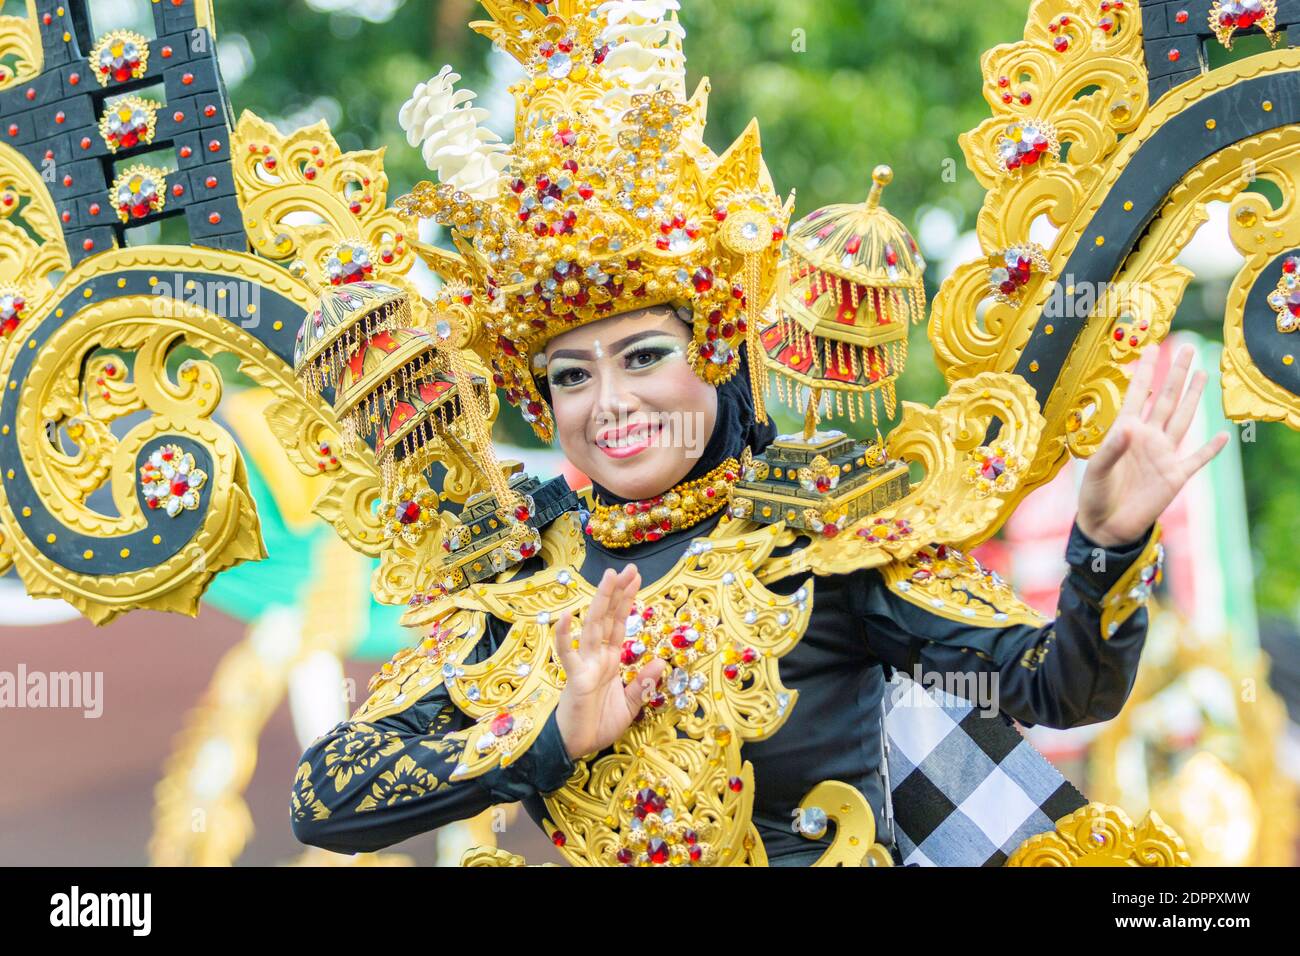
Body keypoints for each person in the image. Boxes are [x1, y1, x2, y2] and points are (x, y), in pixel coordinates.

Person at [289, 0, 1226, 866]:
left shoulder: (818, 535)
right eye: (571, 375)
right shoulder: (527, 578)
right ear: (542, 407)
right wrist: (554, 738)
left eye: (644, 356)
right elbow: (324, 795)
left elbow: (1061, 689)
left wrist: (1105, 546)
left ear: (720, 353)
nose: (608, 402)